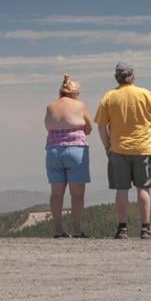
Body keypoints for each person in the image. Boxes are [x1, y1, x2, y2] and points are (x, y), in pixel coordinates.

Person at [95, 62, 151, 239]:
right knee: (143, 188)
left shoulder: (109, 97)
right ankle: (146, 228)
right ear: (132, 76)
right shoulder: (145, 94)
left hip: (118, 149)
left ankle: (122, 229)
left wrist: (107, 147)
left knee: (121, 190)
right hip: (142, 148)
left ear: (116, 77)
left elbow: (102, 126)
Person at [44, 75, 92, 238]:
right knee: (77, 194)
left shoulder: (50, 106)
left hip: (53, 151)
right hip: (76, 150)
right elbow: (89, 127)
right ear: (75, 92)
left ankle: (58, 230)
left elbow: (48, 126)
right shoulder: (80, 105)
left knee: (56, 193)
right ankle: (77, 230)